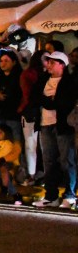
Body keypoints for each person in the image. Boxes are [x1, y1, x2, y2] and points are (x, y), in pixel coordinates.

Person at [31, 51, 77, 208]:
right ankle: (51, 196)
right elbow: (35, 97)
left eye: (52, 62)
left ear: (62, 65)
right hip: (45, 124)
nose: (48, 65)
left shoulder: (69, 81)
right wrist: (49, 100)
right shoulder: (43, 80)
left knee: (67, 161)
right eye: (48, 62)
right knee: (49, 161)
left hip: (63, 126)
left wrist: (49, 101)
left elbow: (63, 103)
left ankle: (70, 195)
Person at [16, 50, 45, 185]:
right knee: (31, 144)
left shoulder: (47, 75)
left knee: (36, 145)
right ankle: (33, 174)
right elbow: (27, 95)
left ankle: (37, 174)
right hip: (32, 112)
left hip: (40, 111)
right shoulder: (30, 74)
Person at [0, 48, 23, 146]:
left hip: (13, 115)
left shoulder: (19, 76)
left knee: (15, 141)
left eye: (6, 61)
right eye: (1, 61)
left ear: (14, 62)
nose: (3, 63)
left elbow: (18, 94)